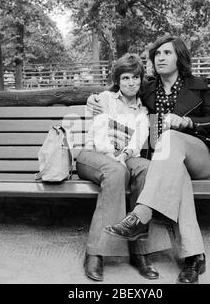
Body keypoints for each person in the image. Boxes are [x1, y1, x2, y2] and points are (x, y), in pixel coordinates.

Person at [88, 35, 210, 284]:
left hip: (198, 155)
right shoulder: (149, 87)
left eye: (167, 53)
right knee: (176, 170)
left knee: (171, 137)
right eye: (157, 54)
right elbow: (119, 88)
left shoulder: (199, 85)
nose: (160, 58)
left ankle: (140, 215)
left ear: (179, 57)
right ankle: (194, 257)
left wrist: (188, 122)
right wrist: (94, 99)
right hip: (168, 164)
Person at [77, 53, 171, 282]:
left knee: (148, 169)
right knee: (116, 171)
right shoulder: (104, 99)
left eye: (135, 77)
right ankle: (95, 252)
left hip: (125, 157)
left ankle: (140, 252)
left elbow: (139, 138)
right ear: (118, 80)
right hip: (94, 155)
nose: (131, 82)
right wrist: (113, 156)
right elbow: (100, 132)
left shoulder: (142, 109)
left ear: (141, 80)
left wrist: (125, 154)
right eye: (126, 77)